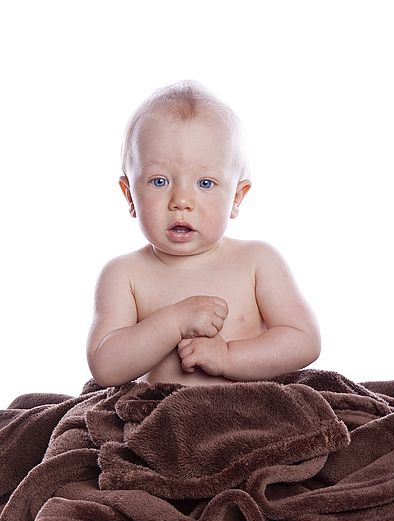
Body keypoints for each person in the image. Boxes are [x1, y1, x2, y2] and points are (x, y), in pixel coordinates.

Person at [86, 80, 320, 387]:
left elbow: (304, 340)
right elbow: (106, 368)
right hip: (161, 421)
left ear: (236, 197)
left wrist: (228, 357)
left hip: (249, 417)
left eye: (205, 183)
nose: (181, 201)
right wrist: (173, 321)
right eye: (159, 181)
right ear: (129, 194)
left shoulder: (257, 262)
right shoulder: (124, 275)